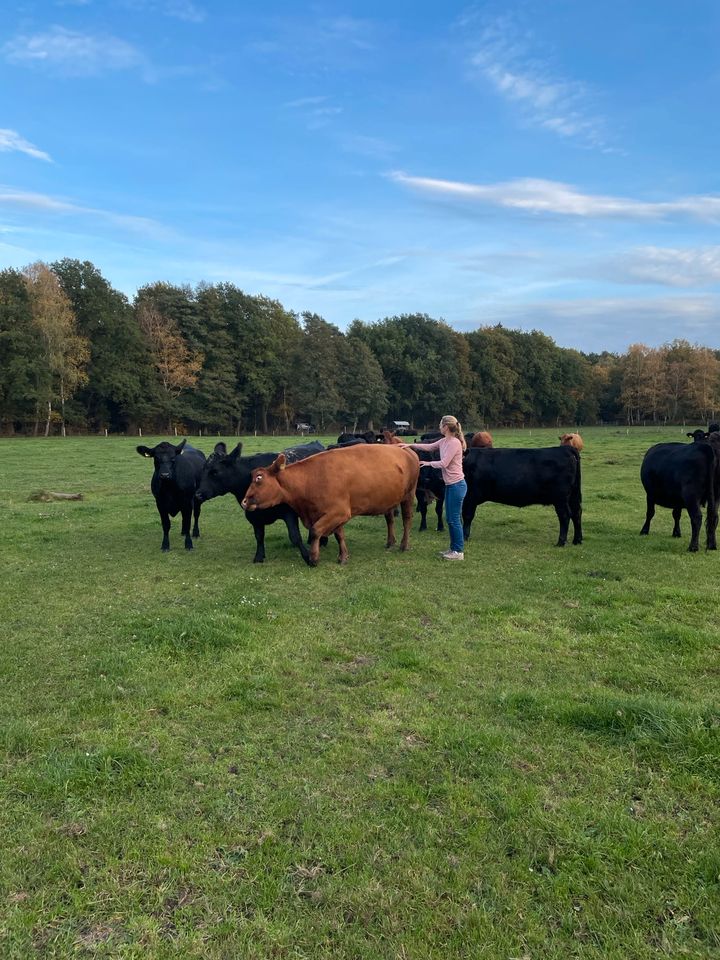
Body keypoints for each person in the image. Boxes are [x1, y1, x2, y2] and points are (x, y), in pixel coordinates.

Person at [400, 415, 467, 560]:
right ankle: (453, 549)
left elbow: (444, 463)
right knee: (450, 518)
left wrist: (427, 463)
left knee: (454, 519)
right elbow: (429, 446)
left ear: (446, 427)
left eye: (440, 425)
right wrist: (409, 446)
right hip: (450, 485)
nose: (438, 427)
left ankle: (458, 552)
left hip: (457, 485)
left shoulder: (454, 443)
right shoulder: (444, 441)